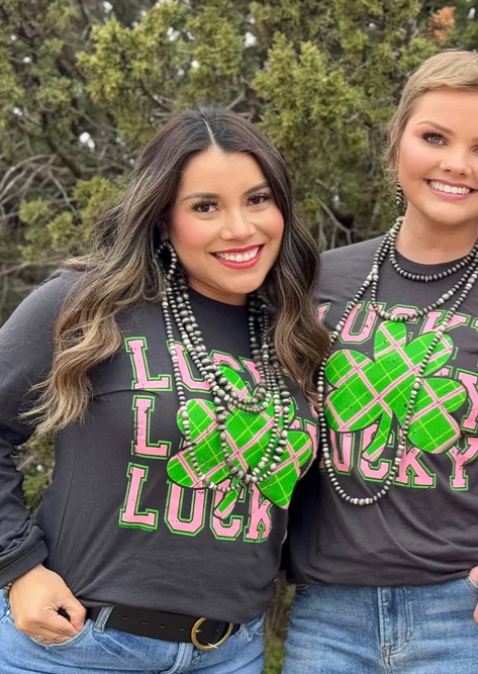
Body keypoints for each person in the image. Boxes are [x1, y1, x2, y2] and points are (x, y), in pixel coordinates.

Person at [281, 51, 478, 674]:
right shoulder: (317, 281)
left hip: (475, 615)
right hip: (327, 620)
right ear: (396, 144)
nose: (456, 164)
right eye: (434, 137)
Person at [0, 108, 327, 674]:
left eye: (257, 199)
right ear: (161, 219)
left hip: (231, 652)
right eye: (206, 207)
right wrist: (17, 567)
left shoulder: (295, 332)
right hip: (77, 646)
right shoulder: (88, 305)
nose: (240, 229)